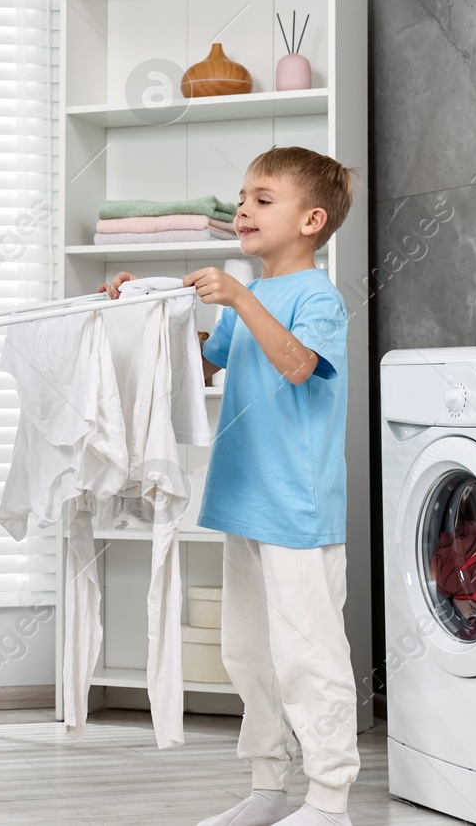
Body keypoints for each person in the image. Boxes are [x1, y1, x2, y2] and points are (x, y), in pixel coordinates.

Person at [104, 146, 360, 826]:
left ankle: (331, 798)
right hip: (245, 500)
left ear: (311, 219)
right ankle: (269, 785)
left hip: (298, 510)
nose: (244, 208)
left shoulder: (316, 295)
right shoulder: (254, 300)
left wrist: (241, 296)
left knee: (309, 655)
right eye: (243, 195)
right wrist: (140, 308)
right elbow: (201, 363)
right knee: (247, 651)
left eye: (263, 198)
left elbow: (301, 364)